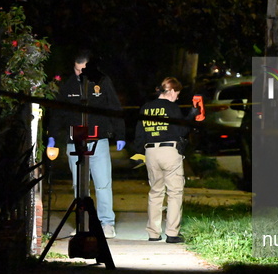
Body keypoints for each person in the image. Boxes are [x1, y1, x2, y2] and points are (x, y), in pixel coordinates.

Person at [46, 49, 126, 239]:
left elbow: (114, 107)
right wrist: (53, 137)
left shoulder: (102, 81)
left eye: (83, 70)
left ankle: (107, 223)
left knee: (103, 184)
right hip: (75, 143)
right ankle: (82, 223)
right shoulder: (67, 85)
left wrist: (120, 134)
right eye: (77, 70)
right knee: (79, 186)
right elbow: (58, 113)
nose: (80, 74)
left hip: (98, 141)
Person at [134, 77, 198, 243]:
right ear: (169, 91)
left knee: (155, 192)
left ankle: (153, 233)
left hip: (151, 152)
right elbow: (181, 130)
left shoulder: (146, 108)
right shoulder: (172, 107)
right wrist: (191, 115)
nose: (177, 96)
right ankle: (172, 233)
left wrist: (138, 154)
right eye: (176, 93)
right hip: (169, 151)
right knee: (174, 193)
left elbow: (139, 135)